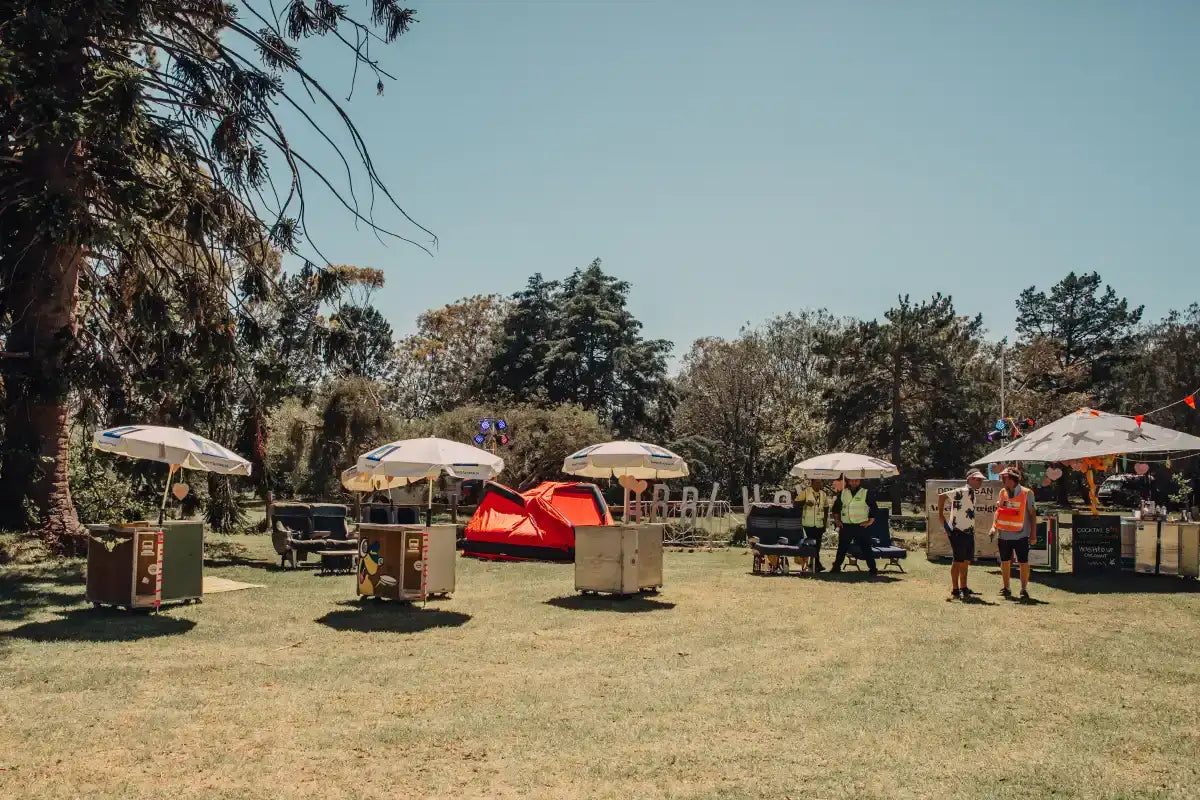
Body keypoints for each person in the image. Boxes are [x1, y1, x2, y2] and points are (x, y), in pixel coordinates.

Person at [990, 467, 1037, 599]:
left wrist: (1033, 534)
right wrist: (994, 527)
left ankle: (1023, 590)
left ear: (1013, 479)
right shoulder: (1002, 492)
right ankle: (1006, 588)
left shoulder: (1027, 493)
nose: (1002, 480)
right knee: (1005, 561)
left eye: (1004, 478)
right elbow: (998, 511)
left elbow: (1033, 515)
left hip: (1021, 535)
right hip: (1004, 535)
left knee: (1023, 562)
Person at [938, 469, 985, 601]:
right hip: (957, 531)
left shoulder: (972, 493)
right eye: (978, 479)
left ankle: (963, 587)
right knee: (958, 561)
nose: (980, 482)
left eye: (981, 480)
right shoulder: (962, 491)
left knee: (965, 561)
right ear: (970, 479)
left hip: (969, 531)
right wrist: (942, 518)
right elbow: (942, 496)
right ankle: (955, 589)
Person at [830, 476, 878, 574]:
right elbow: (836, 508)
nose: (854, 482)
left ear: (859, 481)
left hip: (861, 525)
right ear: (849, 481)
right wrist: (837, 520)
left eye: (856, 481)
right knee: (842, 548)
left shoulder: (865, 492)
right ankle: (836, 568)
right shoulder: (843, 492)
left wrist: (870, 521)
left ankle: (873, 569)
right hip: (846, 525)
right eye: (852, 480)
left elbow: (874, 507)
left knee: (866, 548)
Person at [795, 479, 828, 573]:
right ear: (811, 483)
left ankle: (814, 564)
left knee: (817, 545)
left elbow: (826, 508)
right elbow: (796, 504)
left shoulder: (823, 494)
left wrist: (825, 524)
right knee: (812, 544)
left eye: (820, 482)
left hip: (819, 524)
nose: (819, 484)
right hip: (808, 524)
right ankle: (815, 564)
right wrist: (805, 502)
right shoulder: (806, 492)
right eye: (817, 482)